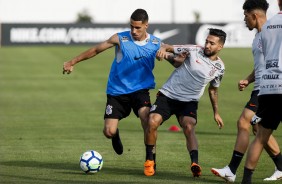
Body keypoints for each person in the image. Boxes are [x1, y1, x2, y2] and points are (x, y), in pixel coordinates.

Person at [63, 9, 161, 155]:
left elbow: (173, 58)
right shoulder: (120, 38)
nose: (133, 30)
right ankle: (115, 135)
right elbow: (96, 50)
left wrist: (178, 58)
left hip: (140, 91)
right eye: (131, 26)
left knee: (147, 120)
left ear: (146, 25)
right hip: (117, 92)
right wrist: (72, 61)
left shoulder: (155, 43)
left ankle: (150, 159)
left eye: (138, 27)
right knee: (109, 131)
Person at [211, 0, 282, 182]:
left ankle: (232, 170)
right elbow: (262, 65)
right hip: (262, 87)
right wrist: (248, 79)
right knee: (259, 128)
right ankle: (280, 167)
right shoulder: (259, 35)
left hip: (268, 88)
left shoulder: (270, 30)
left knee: (245, 121)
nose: (244, 20)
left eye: (245, 16)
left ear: (254, 15)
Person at [143, 28, 226, 177]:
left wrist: (216, 113)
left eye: (212, 43)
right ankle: (150, 161)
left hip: (189, 102)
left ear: (220, 47)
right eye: (207, 41)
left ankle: (195, 163)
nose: (207, 45)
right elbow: (168, 46)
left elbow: (213, 90)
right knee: (152, 121)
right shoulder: (194, 50)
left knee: (189, 126)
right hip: (168, 96)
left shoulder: (220, 68)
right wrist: (162, 49)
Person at [241, 0, 282, 183]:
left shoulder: (266, 27)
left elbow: (266, 60)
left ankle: (246, 180)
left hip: (269, 88)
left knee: (260, 136)